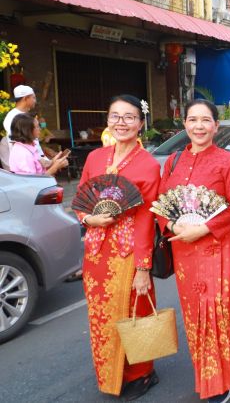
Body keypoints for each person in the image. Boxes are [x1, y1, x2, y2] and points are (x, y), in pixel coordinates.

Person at [156, 99, 230, 403]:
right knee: (194, 315)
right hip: (184, 252)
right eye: (192, 120)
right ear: (185, 125)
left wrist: (204, 228)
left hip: (217, 248)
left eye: (205, 120)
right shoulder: (172, 162)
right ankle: (206, 374)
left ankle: (221, 381)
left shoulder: (227, 161)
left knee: (218, 313)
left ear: (216, 126)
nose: (199, 126)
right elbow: (159, 204)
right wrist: (172, 225)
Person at [75, 95, 161, 400]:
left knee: (133, 310)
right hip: (96, 249)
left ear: (140, 123)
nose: (121, 122)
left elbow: (146, 219)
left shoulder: (148, 164)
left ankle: (142, 372)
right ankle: (109, 372)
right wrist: (88, 218)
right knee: (100, 315)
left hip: (129, 250)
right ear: (108, 120)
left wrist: (142, 267)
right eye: (115, 116)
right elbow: (81, 199)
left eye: (129, 117)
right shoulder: (95, 158)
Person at [1, 85, 45, 170]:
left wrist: (42, 158)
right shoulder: (13, 117)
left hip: (33, 161)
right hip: (24, 164)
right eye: (33, 98)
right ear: (25, 99)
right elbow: (17, 143)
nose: (35, 101)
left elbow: (34, 142)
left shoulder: (24, 115)